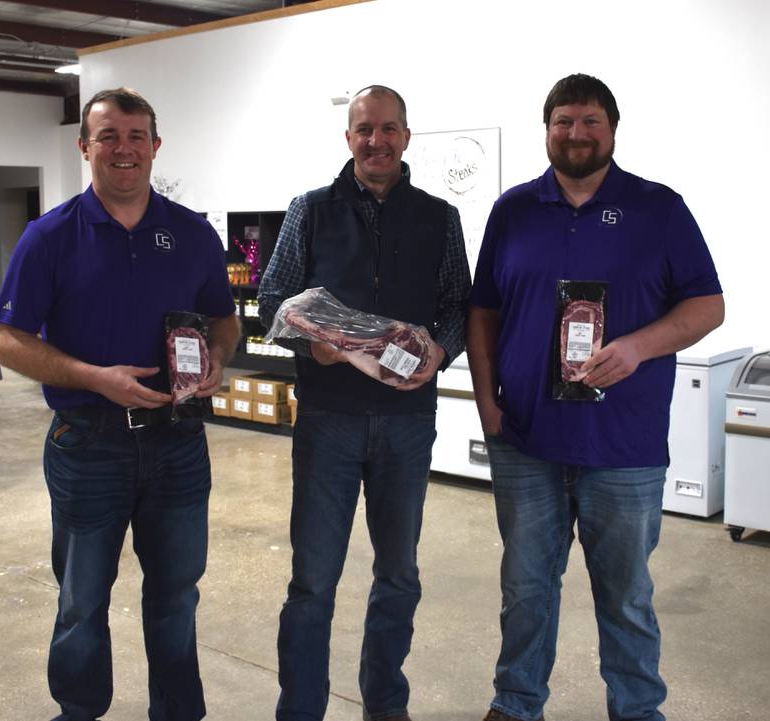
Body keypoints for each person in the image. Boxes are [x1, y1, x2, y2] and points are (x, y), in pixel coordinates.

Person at [467, 73, 724, 721]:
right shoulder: (513, 210)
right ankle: (517, 701)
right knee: (525, 589)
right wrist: (486, 403)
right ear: (546, 128)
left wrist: (638, 346)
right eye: (563, 121)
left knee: (627, 595)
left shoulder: (659, 209)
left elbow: (708, 305)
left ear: (612, 128)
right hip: (526, 441)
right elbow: (483, 314)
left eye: (589, 121)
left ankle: (637, 708)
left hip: (625, 447)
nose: (575, 133)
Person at [0, 87, 240, 721]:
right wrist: (93, 377)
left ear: (155, 147)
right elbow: (8, 340)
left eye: (136, 137)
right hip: (86, 441)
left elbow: (223, 318)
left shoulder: (191, 233)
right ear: (85, 148)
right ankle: (79, 711)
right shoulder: (48, 237)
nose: (123, 150)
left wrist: (217, 356)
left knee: (177, 596)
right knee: (81, 599)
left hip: (177, 442)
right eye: (108, 137)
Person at [258, 84, 471, 721]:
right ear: (347, 138)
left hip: (408, 424)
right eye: (363, 130)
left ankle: (385, 704)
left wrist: (441, 349)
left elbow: (457, 307)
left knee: (399, 575)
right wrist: (316, 348)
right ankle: (301, 710)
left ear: (406, 136)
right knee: (313, 581)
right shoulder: (311, 210)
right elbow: (274, 303)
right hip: (329, 418)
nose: (375, 141)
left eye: (387, 129)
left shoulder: (439, 217)